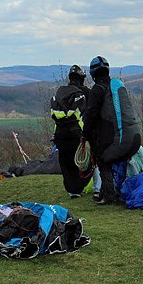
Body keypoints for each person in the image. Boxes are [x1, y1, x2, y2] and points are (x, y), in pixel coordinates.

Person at [83, 56, 141, 205]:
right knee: (115, 158)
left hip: (121, 139)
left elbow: (91, 115)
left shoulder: (98, 89)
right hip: (135, 136)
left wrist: (85, 136)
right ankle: (114, 191)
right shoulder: (115, 85)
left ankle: (109, 196)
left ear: (93, 73)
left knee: (103, 159)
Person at [51, 65, 91, 199]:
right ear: (82, 78)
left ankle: (72, 189)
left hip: (60, 135)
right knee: (85, 162)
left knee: (66, 163)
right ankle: (79, 188)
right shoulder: (85, 93)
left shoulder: (60, 92)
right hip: (76, 134)